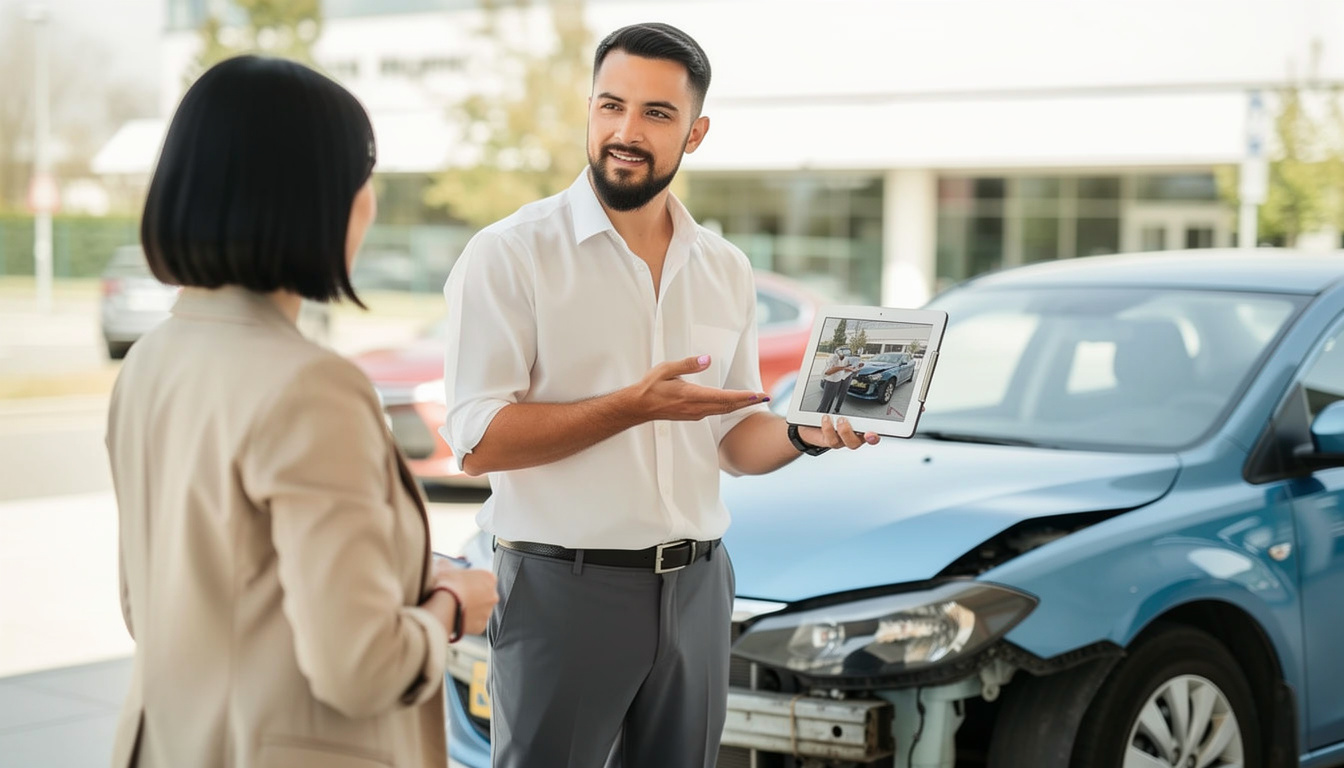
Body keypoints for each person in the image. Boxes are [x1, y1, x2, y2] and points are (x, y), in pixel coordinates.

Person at [439, 23, 879, 768]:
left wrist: (805, 431)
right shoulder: (510, 254)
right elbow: (477, 442)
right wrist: (630, 406)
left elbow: (735, 440)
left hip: (700, 588)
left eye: (656, 114)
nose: (626, 131)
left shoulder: (725, 267)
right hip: (561, 588)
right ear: (589, 109)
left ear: (695, 133)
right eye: (611, 106)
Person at [105, 56, 498, 768]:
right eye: (363, 175)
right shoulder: (310, 387)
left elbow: (159, 607)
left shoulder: (151, 361)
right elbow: (362, 668)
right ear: (312, 195)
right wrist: (454, 606)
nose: (369, 201)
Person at [818, 345, 854, 414]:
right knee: (824, 404)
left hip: (837, 381)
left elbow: (840, 368)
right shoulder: (833, 357)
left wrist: (849, 368)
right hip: (831, 381)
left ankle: (826, 415)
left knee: (829, 403)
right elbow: (828, 372)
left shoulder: (841, 359)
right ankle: (818, 418)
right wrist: (843, 368)